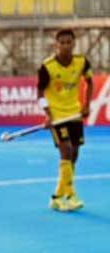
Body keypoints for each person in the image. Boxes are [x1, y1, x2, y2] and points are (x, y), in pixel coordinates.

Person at [38, 28, 93, 212]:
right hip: (57, 116)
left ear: (74, 44)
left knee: (74, 155)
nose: (65, 46)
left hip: (74, 114)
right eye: (62, 43)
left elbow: (89, 81)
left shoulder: (81, 62)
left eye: (69, 42)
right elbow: (39, 93)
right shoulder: (47, 67)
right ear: (56, 45)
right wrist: (47, 113)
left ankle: (57, 197)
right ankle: (71, 195)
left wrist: (86, 104)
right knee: (66, 150)